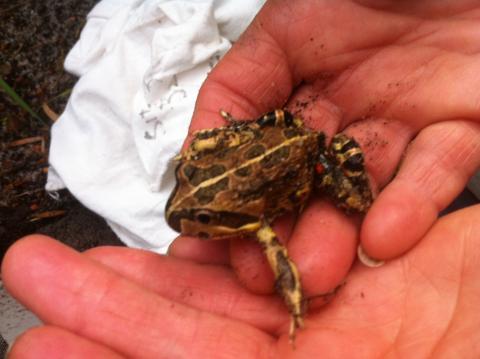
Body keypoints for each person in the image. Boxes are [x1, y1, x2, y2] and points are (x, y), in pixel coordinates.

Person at [3, 1, 480, 357]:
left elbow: (285, 265)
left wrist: (295, 304)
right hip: (273, 141)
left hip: (306, 156)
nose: (182, 215)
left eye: (205, 217)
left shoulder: (257, 225)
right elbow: (201, 159)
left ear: (232, 218)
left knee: (351, 200)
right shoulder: (239, 214)